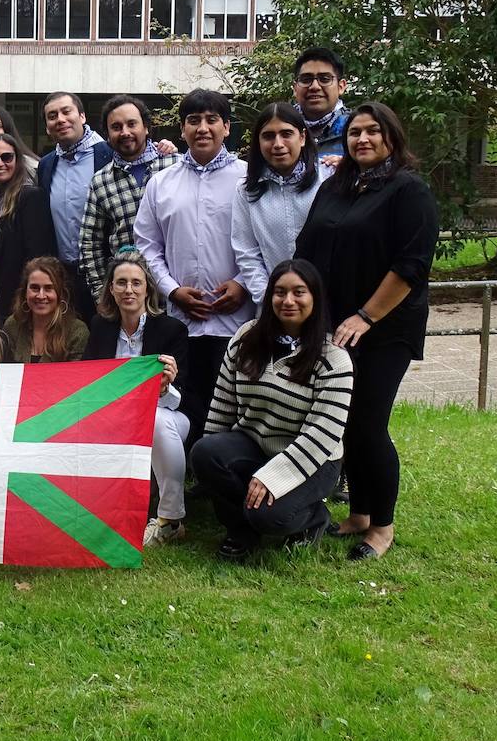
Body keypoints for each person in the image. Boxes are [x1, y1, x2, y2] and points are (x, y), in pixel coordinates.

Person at [296, 102, 439, 561]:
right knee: (345, 421)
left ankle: (381, 526)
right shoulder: (336, 187)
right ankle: (358, 512)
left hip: (384, 328)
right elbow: (308, 248)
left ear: (391, 138)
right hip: (335, 326)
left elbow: (411, 265)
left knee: (369, 424)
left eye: (373, 131)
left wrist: (366, 316)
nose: (362, 139)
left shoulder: (408, 190)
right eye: (355, 131)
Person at [191, 259, 355, 562]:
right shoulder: (245, 338)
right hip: (255, 442)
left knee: (270, 516)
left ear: (315, 298)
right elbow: (222, 404)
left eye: (299, 292)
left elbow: (321, 435)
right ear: (269, 298)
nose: (288, 301)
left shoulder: (334, 359)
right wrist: (212, 474)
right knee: (204, 452)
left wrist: (272, 477)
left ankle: (313, 519)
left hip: (315, 459)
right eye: (279, 292)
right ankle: (241, 531)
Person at [133, 89, 254, 451]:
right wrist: (172, 290)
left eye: (211, 119)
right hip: (181, 316)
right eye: (193, 121)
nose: (202, 128)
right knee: (188, 396)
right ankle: (189, 468)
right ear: (182, 129)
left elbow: (264, 242)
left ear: (227, 127)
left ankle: (221, 468)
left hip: (235, 314)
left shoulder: (248, 180)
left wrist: (243, 284)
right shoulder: (161, 183)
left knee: (230, 397)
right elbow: (147, 245)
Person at [84, 251, 190, 546]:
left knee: (155, 421)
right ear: (111, 289)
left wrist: (166, 386)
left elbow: (183, 398)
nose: (128, 290)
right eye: (121, 283)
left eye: (135, 283)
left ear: (147, 289)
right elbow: (90, 382)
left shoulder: (172, 330)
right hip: (113, 417)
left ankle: (170, 519)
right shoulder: (100, 327)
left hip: (165, 414)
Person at [79, 94, 180, 308]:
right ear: (107, 135)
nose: (125, 132)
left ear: (146, 127)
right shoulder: (101, 182)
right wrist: (103, 297)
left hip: (178, 296)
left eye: (131, 124)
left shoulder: (175, 165)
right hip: (127, 300)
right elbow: (89, 244)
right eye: (116, 127)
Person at [232, 103, 328, 308]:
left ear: (302, 137)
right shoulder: (246, 190)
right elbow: (247, 253)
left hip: (328, 303)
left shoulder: (328, 179)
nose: (278, 144)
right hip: (276, 307)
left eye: (286, 134)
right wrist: (270, 300)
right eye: (268, 136)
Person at [36, 91, 112, 324]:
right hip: (64, 275)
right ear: (48, 127)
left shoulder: (108, 153)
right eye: (52, 115)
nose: (60, 119)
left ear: (82, 116)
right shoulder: (46, 165)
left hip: (105, 271)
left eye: (66, 111)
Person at [0, 133, 57, 322]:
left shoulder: (30, 198)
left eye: (7, 157)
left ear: (17, 160)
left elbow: (38, 256)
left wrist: (27, 299)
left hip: (17, 300)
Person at [2, 256, 89, 363]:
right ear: (25, 292)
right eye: (35, 288)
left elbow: (77, 377)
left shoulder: (77, 332)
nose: (41, 295)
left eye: (48, 288)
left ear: (60, 293)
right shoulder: (12, 325)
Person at [292, 46, 351, 158]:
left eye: (324, 79)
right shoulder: (279, 129)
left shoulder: (356, 129)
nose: (315, 87)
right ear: (295, 88)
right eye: (306, 80)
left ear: (341, 86)